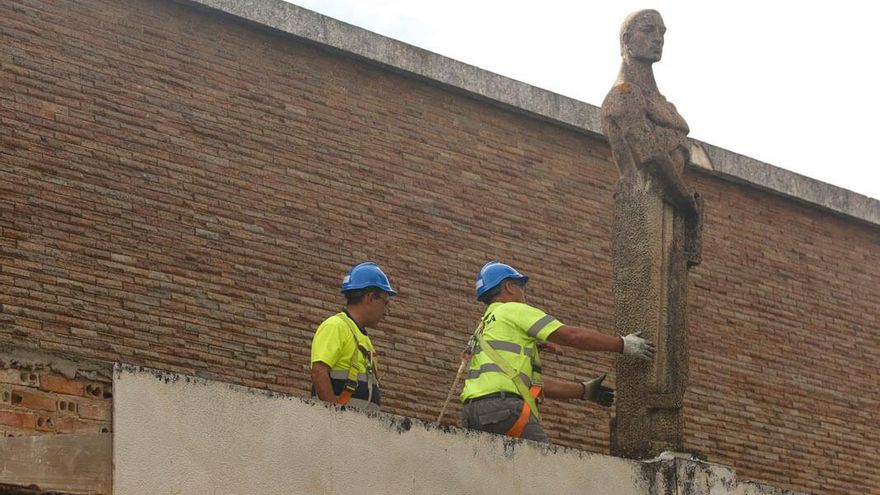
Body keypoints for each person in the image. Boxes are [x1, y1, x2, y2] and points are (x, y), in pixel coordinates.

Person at [459, 261, 655, 443]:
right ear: (509, 287)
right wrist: (623, 344)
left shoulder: (484, 327)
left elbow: (531, 385)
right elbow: (572, 336)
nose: (524, 295)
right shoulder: (512, 309)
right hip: (504, 410)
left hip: (472, 415)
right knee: (545, 469)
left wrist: (584, 391)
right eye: (521, 287)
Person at [309, 261, 395, 412]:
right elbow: (319, 372)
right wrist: (335, 419)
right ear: (370, 297)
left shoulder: (363, 338)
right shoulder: (336, 326)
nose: (386, 310)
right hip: (339, 430)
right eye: (385, 302)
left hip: (357, 431)